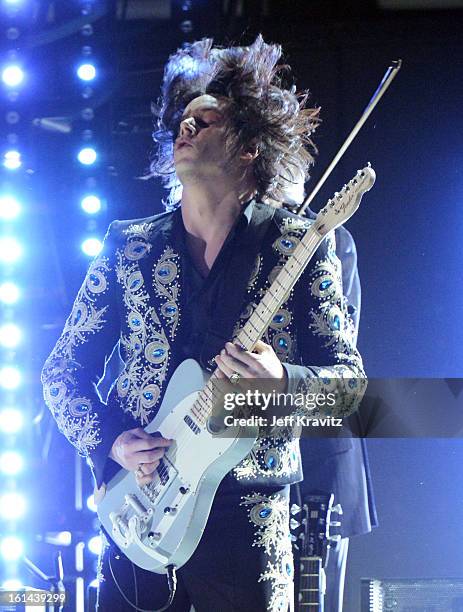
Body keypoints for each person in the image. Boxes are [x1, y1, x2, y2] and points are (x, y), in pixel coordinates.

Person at [41, 36, 366, 611]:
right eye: (182, 120)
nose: (185, 129)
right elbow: (62, 373)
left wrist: (284, 385)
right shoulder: (128, 247)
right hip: (138, 507)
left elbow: (349, 391)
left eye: (206, 120)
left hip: (248, 519)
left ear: (247, 148)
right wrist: (114, 441)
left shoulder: (301, 246)